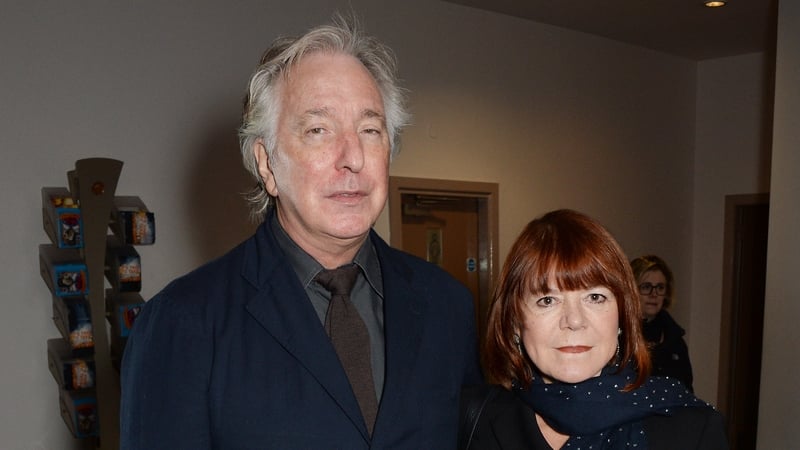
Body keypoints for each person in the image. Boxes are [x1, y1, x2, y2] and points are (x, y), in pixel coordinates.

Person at [121, 13, 482, 449]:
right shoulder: (184, 322)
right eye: (318, 130)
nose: (352, 157)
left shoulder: (448, 305)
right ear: (267, 164)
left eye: (370, 129)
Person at [459, 209, 727, 450]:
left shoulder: (693, 431)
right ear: (515, 322)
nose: (574, 321)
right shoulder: (471, 421)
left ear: (623, 316)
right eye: (547, 300)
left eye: (595, 297)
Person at [631, 254, 694, 392]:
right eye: (646, 287)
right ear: (631, 290)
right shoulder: (618, 336)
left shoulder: (675, 340)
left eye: (660, 288)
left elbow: (687, 392)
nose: (654, 294)